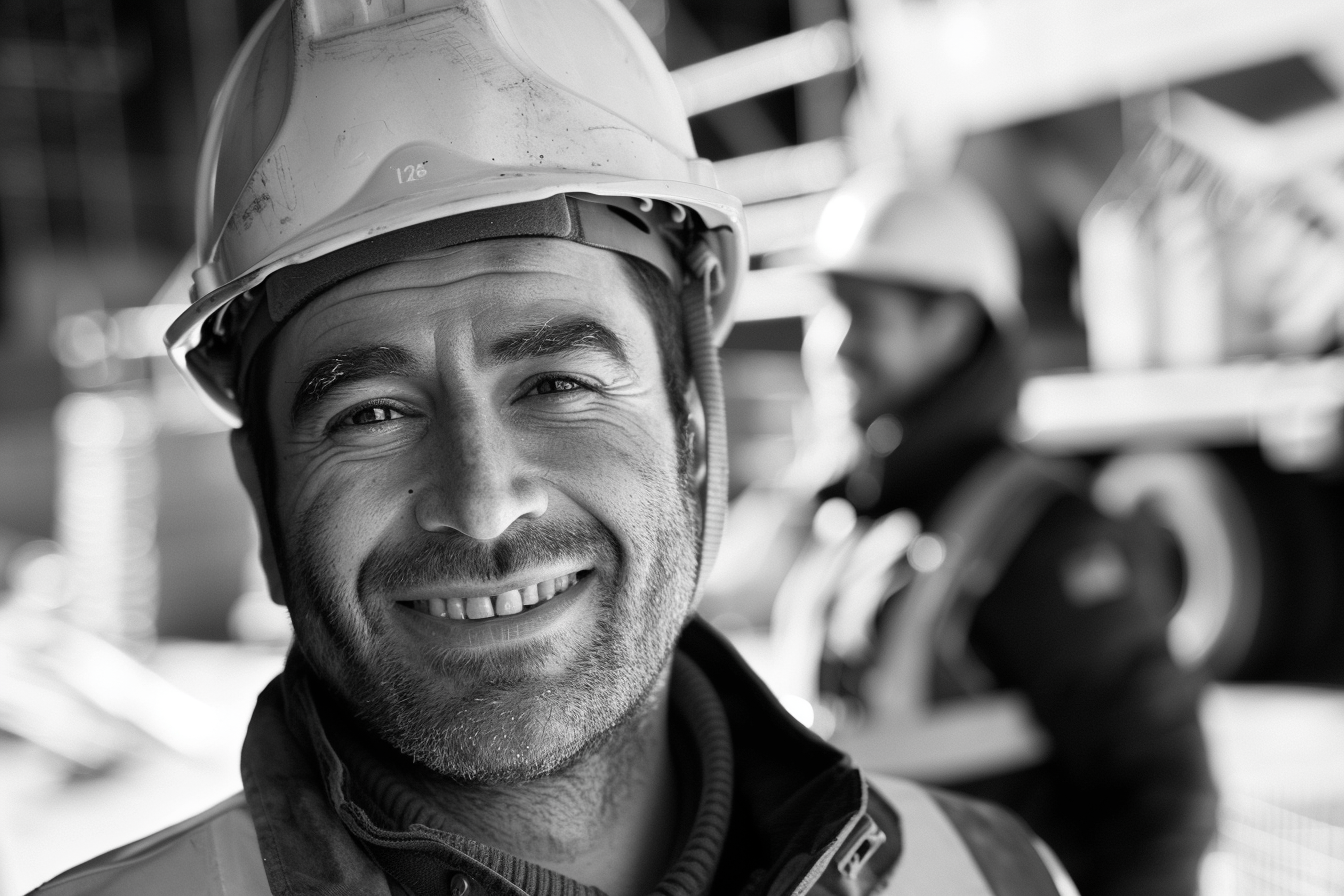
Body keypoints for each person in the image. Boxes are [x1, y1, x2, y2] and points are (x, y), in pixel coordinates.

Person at [30, 3, 1077, 896]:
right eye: (371, 413)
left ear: (694, 431)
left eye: (557, 385)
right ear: (263, 496)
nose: (481, 502)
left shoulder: (989, 875)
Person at [811, 169, 1218, 896]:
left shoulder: (1046, 536)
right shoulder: (869, 511)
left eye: (862, 315)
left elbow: (1163, 798)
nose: (831, 345)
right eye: (827, 311)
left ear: (955, 326)